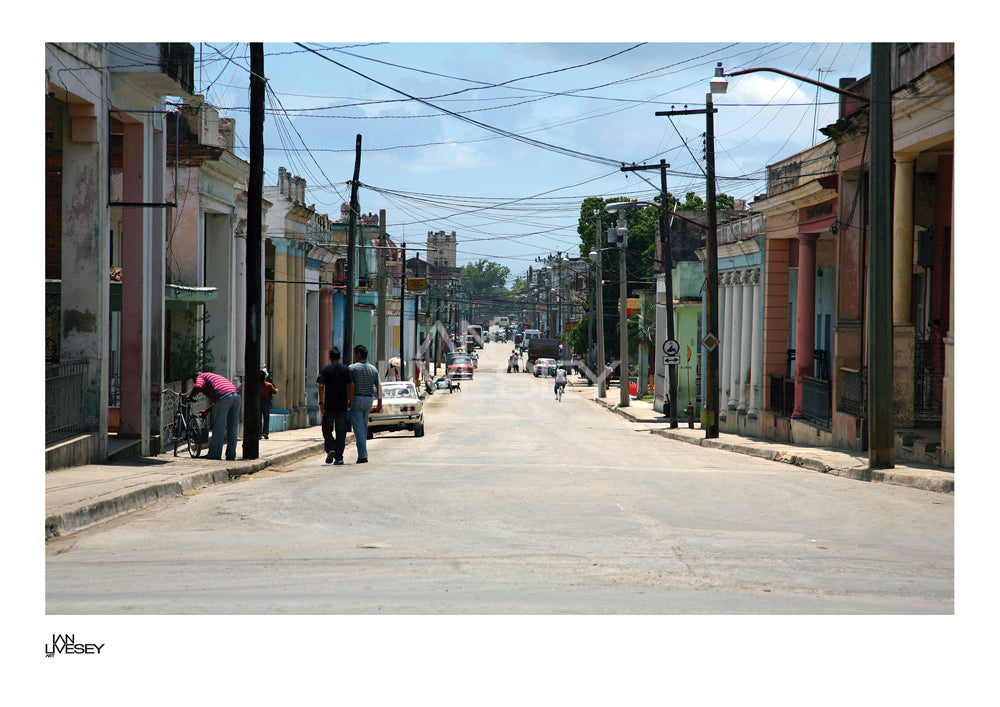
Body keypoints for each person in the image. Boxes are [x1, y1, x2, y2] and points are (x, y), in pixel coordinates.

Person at [186, 371, 241, 461]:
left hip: (224, 397)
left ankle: (214, 454)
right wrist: (207, 411)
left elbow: (198, 386)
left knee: (219, 427)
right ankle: (231, 455)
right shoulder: (214, 376)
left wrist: (190, 396)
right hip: (236, 396)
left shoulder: (201, 377)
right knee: (233, 428)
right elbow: (219, 400)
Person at [347, 344, 383, 464]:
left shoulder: (352, 368)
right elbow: (378, 386)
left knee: (358, 429)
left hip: (357, 399)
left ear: (358, 354)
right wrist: (380, 403)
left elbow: (351, 386)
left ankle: (363, 455)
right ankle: (363, 453)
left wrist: (350, 400)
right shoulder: (373, 369)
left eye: (354, 354)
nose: (353, 356)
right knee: (363, 426)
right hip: (368, 400)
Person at [317, 347, 352, 465]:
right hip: (342, 405)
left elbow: (321, 386)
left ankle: (331, 448)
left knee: (326, 429)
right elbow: (351, 385)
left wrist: (321, 403)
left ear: (329, 357)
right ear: (340, 357)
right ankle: (339, 457)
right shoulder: (345, 369)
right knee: (341, 431)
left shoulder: (325, 370)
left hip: (329, 405)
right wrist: (350, 400)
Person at [258, 369, 279, 440]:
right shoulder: (268, 385)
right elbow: (275, 392)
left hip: (258, 401)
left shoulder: (256, 385)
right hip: (266, 402)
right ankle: (265, 432)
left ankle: (259, 434)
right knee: (266, 417)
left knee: (259, 418)